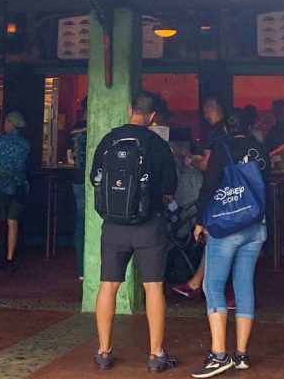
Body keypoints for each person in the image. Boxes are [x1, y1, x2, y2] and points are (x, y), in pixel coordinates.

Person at [89, 91, 179, 373]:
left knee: (108, 285)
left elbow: (95, 178)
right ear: (153, 116)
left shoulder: (108, 140)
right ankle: (156, 355)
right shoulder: (157, 144)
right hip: (149, 227)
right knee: (153, 287)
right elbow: (170, 186)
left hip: (113, 227)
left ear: (130, 109)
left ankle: (104, 352)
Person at [190, 110, 269, 377]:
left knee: (213, 285)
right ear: (251, 126)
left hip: (226, 226)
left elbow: (209, 185)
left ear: (225, 129)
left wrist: (200, 219)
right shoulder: (260, 149)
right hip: (255, 226)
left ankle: (219, 354)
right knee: (244, 285)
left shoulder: (222, 148)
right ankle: (242, 354)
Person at [172, 96, 229, 300]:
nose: (205, 117)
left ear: (211, 109)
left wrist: (190, 161)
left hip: (217, 191)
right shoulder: (230, 131)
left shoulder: (214, 133)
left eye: (206, 112)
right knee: (218, 239)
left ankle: (204, 285)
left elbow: (206, 165)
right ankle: (199, 282)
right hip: (233, 193)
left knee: (213, 238)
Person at [0, 110, 30, 271]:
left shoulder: (1, 140)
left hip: (1, 185)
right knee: (12, 222)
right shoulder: (25, 143)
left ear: (10, 123)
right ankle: (10, 259)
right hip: (19, 185)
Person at [70, 98, 89, 280]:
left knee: (80, 222)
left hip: (76, 178)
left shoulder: (75, 128)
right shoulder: (94, 127)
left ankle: (81, 268)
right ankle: (87, 267)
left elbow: (71, 154)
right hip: (89, 179)